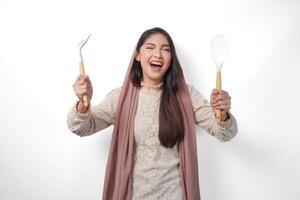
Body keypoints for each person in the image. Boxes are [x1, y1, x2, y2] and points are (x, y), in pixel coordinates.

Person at [67, 27, 238, 200]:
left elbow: (225, 133)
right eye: (150, 47)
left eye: (165, 49)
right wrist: (83, 102)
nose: (158, 54)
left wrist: (222, 113)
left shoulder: (187, 96)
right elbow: (80, 127)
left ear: (171, 59)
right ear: (137, 55)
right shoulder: (121, 98)